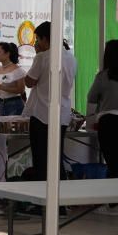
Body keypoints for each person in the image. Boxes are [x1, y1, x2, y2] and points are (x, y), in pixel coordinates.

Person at [24, 21, 77, 183]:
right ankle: (59, 205)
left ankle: (42, 205)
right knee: (56, 159)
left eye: (37, 40)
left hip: (41, 115)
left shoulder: (42, 57)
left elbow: (29, 82)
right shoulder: (71, 58)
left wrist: (38, 54)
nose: (36, 44)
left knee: (41, 161)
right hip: (62, 114)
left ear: (46, 39)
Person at [88, 39, 118, 215]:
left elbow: (92, 98)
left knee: (113, 163)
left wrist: (89, 122)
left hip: (109, 123)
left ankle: (113, 205)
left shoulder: (103, 77)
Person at [0, 42, 26, 116]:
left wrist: (1, 87)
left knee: (12, 127)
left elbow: (21, 90)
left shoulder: (17, 70)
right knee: (2, 127)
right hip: (1, 103)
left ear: (7, 54)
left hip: (14, 104)